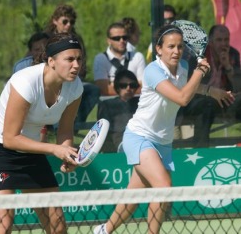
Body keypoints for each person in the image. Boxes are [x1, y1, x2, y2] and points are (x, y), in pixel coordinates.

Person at [94, 24, 234, 234]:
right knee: (163, 187)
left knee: (133, 197)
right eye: (170, 46)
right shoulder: (153, 70)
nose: (176, 51)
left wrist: (210, 91)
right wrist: (200, 72)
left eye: (179, 47)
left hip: (163, 142)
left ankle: (103, 230)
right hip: (139, 137)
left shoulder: (184, 67)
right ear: (159, 49)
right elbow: (182, 98)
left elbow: (186, 88)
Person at [0, 33, 83, 233]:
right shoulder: (26, 82)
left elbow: (64, 130)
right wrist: (54, 149)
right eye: (70, 59)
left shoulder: (75, 87)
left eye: (79, 59)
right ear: (51, 61)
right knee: (3, 224)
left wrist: (67, 153)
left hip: (31, 151)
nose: (76, 65)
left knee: (57, 227)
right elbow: (10, 139)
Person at [44, 4, 100, 126]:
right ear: (55, 21)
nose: (68, 25)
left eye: (71, 22)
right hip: (51, 81)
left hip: (74, 79)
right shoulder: (46, 39)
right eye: (65, 21)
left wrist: (75, 76)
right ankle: (56, 126)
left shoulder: (76, 39)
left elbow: (82, 65)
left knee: (93, 90)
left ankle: (75, 123)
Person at [93, 21, 146, 96]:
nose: (122, 41)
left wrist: (112, 85)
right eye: (117, 38)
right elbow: (103, 89)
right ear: (109, 41)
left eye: (124, 37)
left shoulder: (137, 57)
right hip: (110, 105)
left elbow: (144, 88)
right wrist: (133, 85)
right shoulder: (101, 59)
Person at [97, 70, 139, 153]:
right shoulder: (107, 105)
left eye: (132, 85)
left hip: (141, 140)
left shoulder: (142, 103)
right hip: (118, 142)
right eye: (123, 85)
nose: (128, 88)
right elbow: (103, 131)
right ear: (117, 87)